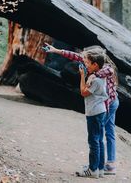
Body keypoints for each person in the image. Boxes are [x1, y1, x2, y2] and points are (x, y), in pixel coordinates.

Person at [44, 43, 119, 174]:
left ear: (96, 58)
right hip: (109, 102)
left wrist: (92, 76)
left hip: (108, 104)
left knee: (98, 135)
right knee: (105, 133)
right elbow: (75, 56)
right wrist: (56, 50)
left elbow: (109, 71)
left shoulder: (106, 67)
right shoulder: (95, 61)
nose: (84, 61)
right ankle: (103, 166)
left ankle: (97, 166)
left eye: (87, 59)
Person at [75, 50, 109, 178]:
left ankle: (92, 169)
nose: (85, 64)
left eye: (88, 63)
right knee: (99, 140)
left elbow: (83, 92)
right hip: (100, 111)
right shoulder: (99, 77)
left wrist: (82, 76)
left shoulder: (95, 81)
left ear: (95, 65)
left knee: (93, 141)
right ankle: (99, 168)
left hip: (94, 112)